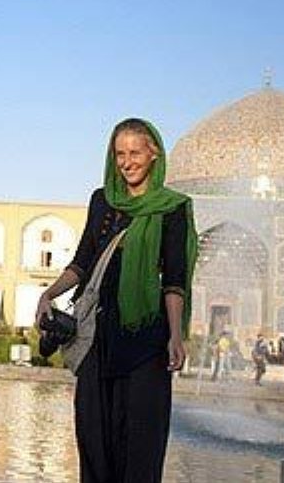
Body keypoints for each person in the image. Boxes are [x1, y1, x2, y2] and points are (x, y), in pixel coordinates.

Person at [35, 118, 198, 483]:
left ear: (153, 153)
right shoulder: (102, 200)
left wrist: (175, 335)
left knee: (141, 442)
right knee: (94, 438)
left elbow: (174, 280)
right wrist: (49, 293)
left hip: (145, 342)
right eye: (120, 154)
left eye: (135, 152)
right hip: (98, 337)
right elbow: (82, 262)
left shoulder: (173, 208)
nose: (127, 162)